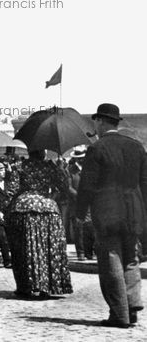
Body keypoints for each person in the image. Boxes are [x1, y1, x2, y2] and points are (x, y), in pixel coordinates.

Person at [77, 103, 147, 328]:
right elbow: (145, 184)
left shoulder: (97, 148)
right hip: (133, 210)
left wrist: (80, 213)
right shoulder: (137, 147)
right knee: (131, 258)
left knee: (111, 260)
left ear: (100, 121)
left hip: (107, 211)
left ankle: (119, 314)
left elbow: (87, 186)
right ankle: (133, 304)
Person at [6, 149, 73, 298]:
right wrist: (61, 169)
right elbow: (64, 187)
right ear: (43, 152)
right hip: (48, 208)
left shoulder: (20, 166)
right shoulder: (51, 167)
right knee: (49, 247)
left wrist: (4, 209)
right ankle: (47, 286)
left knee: (23, 249)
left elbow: (12, 190)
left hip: (23, 208)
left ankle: (26, 286)